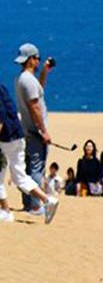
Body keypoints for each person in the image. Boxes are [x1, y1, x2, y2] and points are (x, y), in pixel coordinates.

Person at [0, 62, 59, 223]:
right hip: (16, 135)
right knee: (18, 175)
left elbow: (1, 118)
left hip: (7, 139)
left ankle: (8, 210)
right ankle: (46, 200)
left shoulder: (17, 81)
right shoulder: (3, 86)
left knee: (16, 175)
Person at [14, 44, 55, 204]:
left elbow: (38, 90)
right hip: (35, 131)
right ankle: (36, 205)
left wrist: (45, 71)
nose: (38, 61)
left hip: (26, 130)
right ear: (31, 59)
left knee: (28, 168)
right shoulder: (28, 80)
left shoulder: (22, 79)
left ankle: (29, 204)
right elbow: (34, 106)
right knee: (37, 168)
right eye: (37, 59)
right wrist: (43, 130)